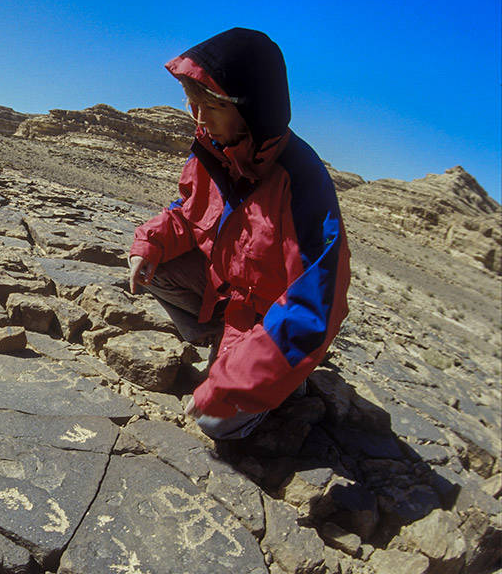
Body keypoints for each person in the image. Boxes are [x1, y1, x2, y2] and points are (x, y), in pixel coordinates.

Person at [128, 28, 350, 440]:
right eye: (191, 105)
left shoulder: (301, 182)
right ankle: (225, 348)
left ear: (250, 107)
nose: (198, 120)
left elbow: (315, 307)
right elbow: (187, 212)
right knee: (152, 267)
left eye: (208, 107)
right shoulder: (213, 150)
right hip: (226, 298)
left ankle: (284, 376)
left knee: (214, 422)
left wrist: (227, 383)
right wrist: (150, 242)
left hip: (269, 318)